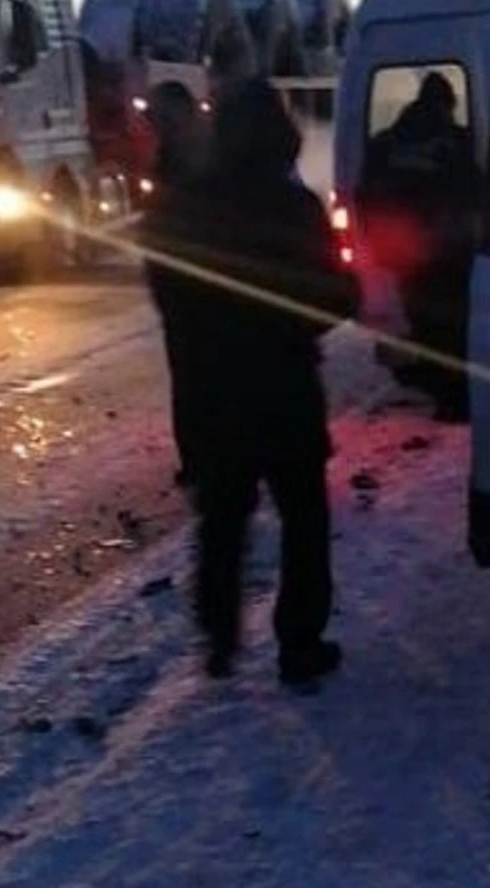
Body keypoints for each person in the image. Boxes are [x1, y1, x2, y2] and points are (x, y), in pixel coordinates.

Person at [143, 79, 359, 687]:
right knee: (303, 521)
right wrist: (293, 321)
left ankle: (219, 638)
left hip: (211, 393)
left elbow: (167, 295)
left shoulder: (180, 208)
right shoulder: (295, 208)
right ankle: (300, 644)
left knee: (223, 520)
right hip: (284, 387)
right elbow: (334, 296)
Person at [355, 73, 480, 421]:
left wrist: (374, 241)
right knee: (455, 329)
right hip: (447, 254)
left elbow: (363, 196)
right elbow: (475, 193)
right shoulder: (455, 143)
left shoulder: (386, 142)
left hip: (405, 255)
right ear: (446, 104)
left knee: (424, 322)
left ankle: (439, 390)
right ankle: (455, 400)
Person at [138, 81, 211, 488]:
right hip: (185, 296)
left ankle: (207, 460)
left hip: (196, 295)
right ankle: (200, 460)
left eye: (161, 117)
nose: (157, 125)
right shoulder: (179, 155)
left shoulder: (198, 159)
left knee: (198, 382)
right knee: (191, 382)